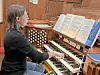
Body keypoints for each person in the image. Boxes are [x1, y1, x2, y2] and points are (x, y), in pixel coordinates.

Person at [1, 4, 64, 75]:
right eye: (26, 15)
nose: (28, 17)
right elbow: (37, 57)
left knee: (40, 68)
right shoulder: (17, 37)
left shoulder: (9, 31)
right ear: (18, 19)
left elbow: (24, 49)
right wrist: (53, 53)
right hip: (14, 71)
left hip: (14, 65)